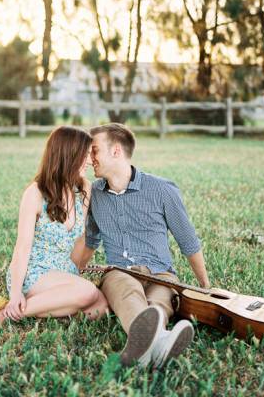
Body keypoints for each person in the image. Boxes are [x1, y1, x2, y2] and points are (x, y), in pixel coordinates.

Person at [79, 123, 211, 368]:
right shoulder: (93, 194)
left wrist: (205, 285)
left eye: (94, 151)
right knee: (128, 293)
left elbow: (187, 240)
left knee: (159, 305)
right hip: (120, 273)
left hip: (163, 275)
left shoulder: (162, 190)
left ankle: (146, 348)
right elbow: (90, 241)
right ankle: (161, 342)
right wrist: (72, 274)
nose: (89, 159)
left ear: (116, 151)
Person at [0, 126, 108, 327]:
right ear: (69, 155)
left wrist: (79, 267)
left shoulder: (84, 189)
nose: (91, 161)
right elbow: (22, 248)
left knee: (100, 307)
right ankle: (8, 313)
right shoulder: (36, 193)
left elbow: (82, 241)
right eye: (85, 155)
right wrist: (15, 294)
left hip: (64, 270)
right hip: (35, 271)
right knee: (88, 292)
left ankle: (44, 307)